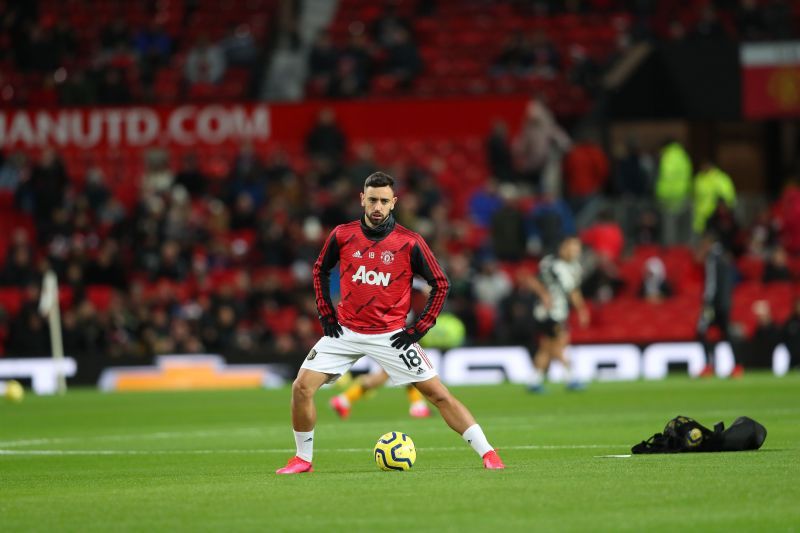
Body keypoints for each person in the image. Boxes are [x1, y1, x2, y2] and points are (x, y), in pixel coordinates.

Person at [276, 172, 504, 474]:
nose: (377, 207)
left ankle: (488, 453)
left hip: (392, 335)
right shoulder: (342, 235)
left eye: (384, 201)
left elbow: (440, 283)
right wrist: (326, 314)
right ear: (362, 199)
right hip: (344, 330)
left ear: (393, 203)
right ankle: (302, 459)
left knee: (438, 394)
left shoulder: (410, 243)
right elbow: (320, 270)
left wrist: (420, 328)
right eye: (372, 200)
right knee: (301, 388)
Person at [523, 236, 590, 393]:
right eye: (572, 248)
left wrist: (581, 309)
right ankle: (571, 377)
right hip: (548, 312)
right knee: (559, 343)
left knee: (547, 347)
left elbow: (574, 290)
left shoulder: (575, 267)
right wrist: (544, 294)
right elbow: (532, 280)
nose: (575, 252)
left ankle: (534, 380)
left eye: (577, 249)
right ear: (563, 248)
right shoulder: (551, 263)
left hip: (560, 312)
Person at [696, 232, 743, 378]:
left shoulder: (712, 258)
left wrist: (707, 302)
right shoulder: (725, 256)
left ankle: (709, 366)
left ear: (708, 242)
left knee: (702, 330)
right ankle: (737, 367)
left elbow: (712, 282)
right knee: (726, 334)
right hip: (725, 302)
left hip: (714, 304)